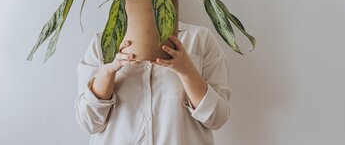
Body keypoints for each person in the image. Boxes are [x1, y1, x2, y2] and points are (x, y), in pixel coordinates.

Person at [74, 18, 232, 145]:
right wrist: (108, 71)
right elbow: (89, 123)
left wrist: (187, 71)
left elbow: (217, 118)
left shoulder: (199, 38)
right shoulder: (103, 42)